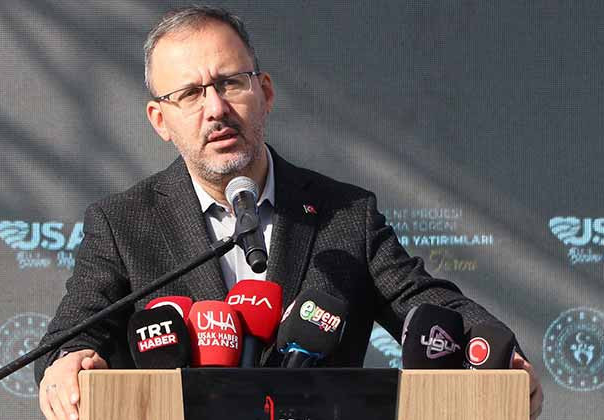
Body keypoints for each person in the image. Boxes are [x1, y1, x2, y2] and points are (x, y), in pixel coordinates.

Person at [35, 6, 543, 420]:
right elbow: (71, 337)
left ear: (265, 93)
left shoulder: (346, 214)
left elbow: (425, 305)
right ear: (160, 120)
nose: (216, 108)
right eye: (189, 94)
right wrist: (65, 363)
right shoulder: (124, 222)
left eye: (231, 83)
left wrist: (497, 351)